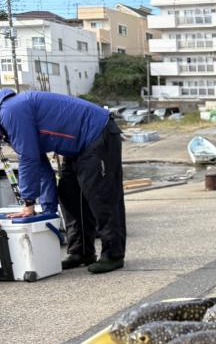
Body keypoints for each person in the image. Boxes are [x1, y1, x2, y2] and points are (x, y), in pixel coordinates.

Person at [0, 90, 126, 274]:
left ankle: (113, 255)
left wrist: (28, 202)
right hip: (76, 146)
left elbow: (28, 159)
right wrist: (47, 211)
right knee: (69, 194)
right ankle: (81, 252)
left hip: (97, 132)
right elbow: (41, 166)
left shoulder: (10, 112)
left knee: (101, 196)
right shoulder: (9, 120)